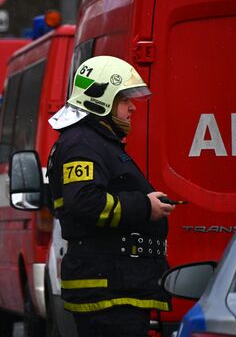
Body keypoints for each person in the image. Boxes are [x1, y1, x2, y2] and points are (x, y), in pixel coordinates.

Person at [46, 56, 175, 337]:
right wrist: (144, 207)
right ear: (100, 98)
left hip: (115, 284)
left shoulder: (94, 141)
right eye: (124, 99)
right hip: (108, 288)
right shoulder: (83, 143)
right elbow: (85, 203)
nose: (132, 107)